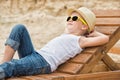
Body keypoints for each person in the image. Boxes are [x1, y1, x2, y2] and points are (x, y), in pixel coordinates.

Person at [0, 7, 109, 79]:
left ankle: (4, 68)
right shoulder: (67, 35)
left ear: (84, 26)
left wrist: (93, 33)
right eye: (69, 18)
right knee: (19, 28)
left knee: (11, 66)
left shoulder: (80, 40)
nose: (70, 20)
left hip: (43, 62)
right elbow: (69, 28)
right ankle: (3, 64)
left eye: (74, 18)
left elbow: (105, 39)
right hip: (35, 55)